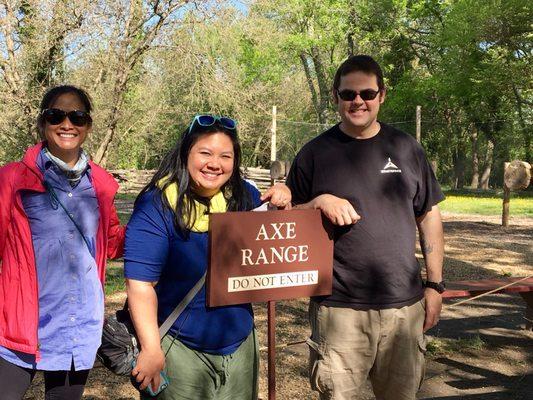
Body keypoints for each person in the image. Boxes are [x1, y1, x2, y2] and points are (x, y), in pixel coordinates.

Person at [286, 55, 445, 400]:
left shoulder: (406, 149)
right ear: (336, 97)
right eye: (348, 94)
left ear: (382, 96)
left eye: (367, 93)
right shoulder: (314, 153)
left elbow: (428, 216)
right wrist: (317, 203)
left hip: (403, 308)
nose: (358, 101)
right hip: (339, 309)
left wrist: (434, 285)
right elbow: (285, 218)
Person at [124, 114, 291, 399]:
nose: (215, 163)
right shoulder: (158, 204)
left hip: (239, 344)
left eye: (225, 156)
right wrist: (151, 349)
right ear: (186, 153)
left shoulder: (245, 196)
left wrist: (282, 196)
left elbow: (279, 233)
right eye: (205, 153)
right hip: (179, 348)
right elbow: (140, 285)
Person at [0, 85, 125, 399]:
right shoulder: (13, 180)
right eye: (56, 115)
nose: (67, 124)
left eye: (77, 116)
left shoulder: (102, 184)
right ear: (43, 123)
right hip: (20, 326)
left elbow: (114, 244)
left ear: (87, 126)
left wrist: (163, 210)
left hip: (77, 327)